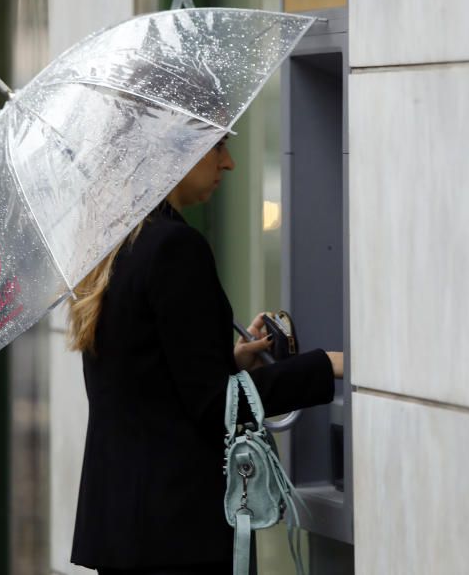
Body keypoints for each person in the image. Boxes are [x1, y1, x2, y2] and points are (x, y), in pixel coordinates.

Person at [68, 137, 344, 575]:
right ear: (177, 150)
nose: (230, 163)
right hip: (179, 533)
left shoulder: (115, 247)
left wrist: (228, 361)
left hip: (125, 527)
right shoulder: (174, 247)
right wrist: (324, 365)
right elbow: (216, 406)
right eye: (217, 149)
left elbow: (145, 381)